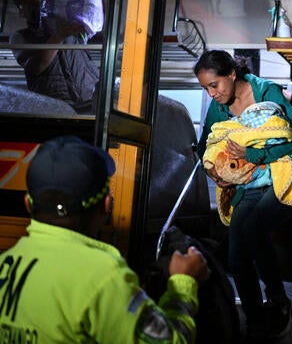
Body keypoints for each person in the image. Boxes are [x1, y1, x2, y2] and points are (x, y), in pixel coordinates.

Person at [0, 135, 211, 343]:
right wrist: (183, 285)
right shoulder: (103, 277)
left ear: (28, 204)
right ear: (106, 205)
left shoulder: (5, 264)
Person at [194, 49, 292, 340]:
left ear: (231, 74)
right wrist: (216, 173)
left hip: (282, 174)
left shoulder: (266, 91)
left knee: (254, 230)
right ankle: (256, 317)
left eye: (214, 85)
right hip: (249, 184)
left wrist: (252, 153)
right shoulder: (218, 108)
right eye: (205, 88)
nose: (211, 93)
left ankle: (280, 302)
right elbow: (206, 144)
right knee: (236, 251)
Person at [9, 0, 105, 114]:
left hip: (90, 101)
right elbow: (36, 67)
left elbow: (101, 10)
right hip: (55, 109)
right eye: (28, 0)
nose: (36, 2)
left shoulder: (70, 22)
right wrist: (58, 36)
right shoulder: (20, 37)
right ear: (21, 12)